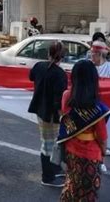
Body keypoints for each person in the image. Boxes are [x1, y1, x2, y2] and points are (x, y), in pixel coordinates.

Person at [59, 60, 110, 202]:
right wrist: (104, 151)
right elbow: (102, 136)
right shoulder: (96, 107)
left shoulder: (66, 96)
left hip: (70, 152)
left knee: (72, 186)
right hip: (90, 157)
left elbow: (67, 122)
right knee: (88, 195)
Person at [28, 41, 68, 187]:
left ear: (48, 53)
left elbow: (31, 77)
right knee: (49, 144)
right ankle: (47, 176)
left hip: (40, 110)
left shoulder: (39, 66)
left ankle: (53, 168)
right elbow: (59, 100)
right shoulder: (60, 74)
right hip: (52, 115)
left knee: (49, 142)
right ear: (62, 57)